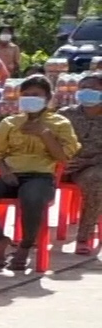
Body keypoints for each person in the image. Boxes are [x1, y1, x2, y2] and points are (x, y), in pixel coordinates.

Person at [0, 73, 78, 272]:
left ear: (47, 98)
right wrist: (4, 171)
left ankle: (24, 247)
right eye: (26, 94)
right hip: (10, 175)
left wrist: (44, 134)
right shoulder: (10, 123)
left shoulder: (60, 123)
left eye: (36, 94)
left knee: (31, 197)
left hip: (41, 176)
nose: (30, 98)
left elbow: (63, 157)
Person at [64, 72, 102, 255]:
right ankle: (29, 236)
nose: (88, 92)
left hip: (94, 166)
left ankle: (84, 236)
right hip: (63, 165)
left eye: (94, 89)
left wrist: (88, 161)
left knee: (96, 180)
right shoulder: (65, 115)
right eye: (84, 88)